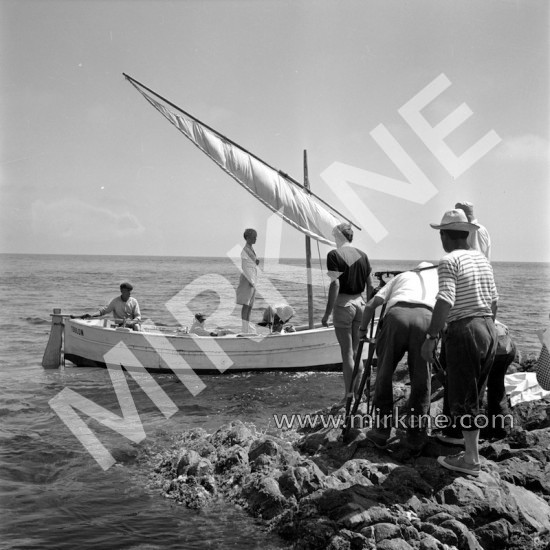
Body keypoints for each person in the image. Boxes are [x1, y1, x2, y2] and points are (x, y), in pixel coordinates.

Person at [421, 209, 498, 477]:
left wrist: (431, 337)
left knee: (464, 395)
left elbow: (445, 299)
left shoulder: (449, 260)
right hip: (489, 326)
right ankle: (470, 452)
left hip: (465, 329)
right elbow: (494, 300)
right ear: (466, 233)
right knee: (476, 393)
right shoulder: (482, 260)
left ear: (444, 235)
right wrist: (486, 330)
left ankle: (471, 460)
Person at [360, 262, 439, 450]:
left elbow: (371, 305)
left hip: (397, 317)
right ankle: (416, 435)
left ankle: (381, 431)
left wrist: (362, 331)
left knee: (384, 373)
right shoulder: (439, 281)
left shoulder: (402, 277)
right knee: (421, 378)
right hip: (426, 319)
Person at [322, 222, 373, 401]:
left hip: (343, 305)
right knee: (356, 352)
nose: (333, 239)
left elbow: (335, 284)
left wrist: (327, 313)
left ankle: (348, 395)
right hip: (360, 304)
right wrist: (369, 307)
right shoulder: (363, 255)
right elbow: (371, 285)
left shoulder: (334, 255)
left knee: (347, 353)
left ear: (339, 237)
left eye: (335, 236)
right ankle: (358, 393)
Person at [75, 282, 142, 331]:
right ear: (122, 291)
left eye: (130, 291)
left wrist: (132, 321)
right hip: (121, 325)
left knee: (137, 326)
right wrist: (92, 315)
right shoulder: (115, 301)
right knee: (122, 329)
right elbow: (104, 310)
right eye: (127, 291)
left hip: (132, 323)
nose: (129, 293)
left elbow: (138, 316)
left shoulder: (134, 301)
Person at [236, 228, 260, 333]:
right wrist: (250, 280)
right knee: (246, 304)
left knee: (250, 305)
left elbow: (250, 264)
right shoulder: (245, 249)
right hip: (248, 279)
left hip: (253, 279)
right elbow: (244, 267)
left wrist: (256, 262)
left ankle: (247, 325)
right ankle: (244, 328)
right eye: (254, 237)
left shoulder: (250, 249)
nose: (255, 239)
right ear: (248, 238)